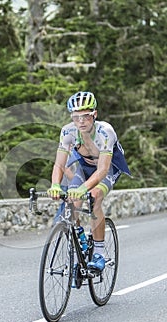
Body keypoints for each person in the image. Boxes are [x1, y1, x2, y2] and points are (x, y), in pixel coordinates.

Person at [48, 91, 131, 272]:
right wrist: (55, 184)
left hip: (107, 167)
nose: (81, 121)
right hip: (83, 166)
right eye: (76, 117)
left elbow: (102, 170)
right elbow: (59, 164)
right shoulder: (67, 131)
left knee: (94, 196)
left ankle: (99, 253)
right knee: (72, 200)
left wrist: (84, 188)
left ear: (94, 114)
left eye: (86, 116)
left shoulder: (105, 131)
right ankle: (78, 235)